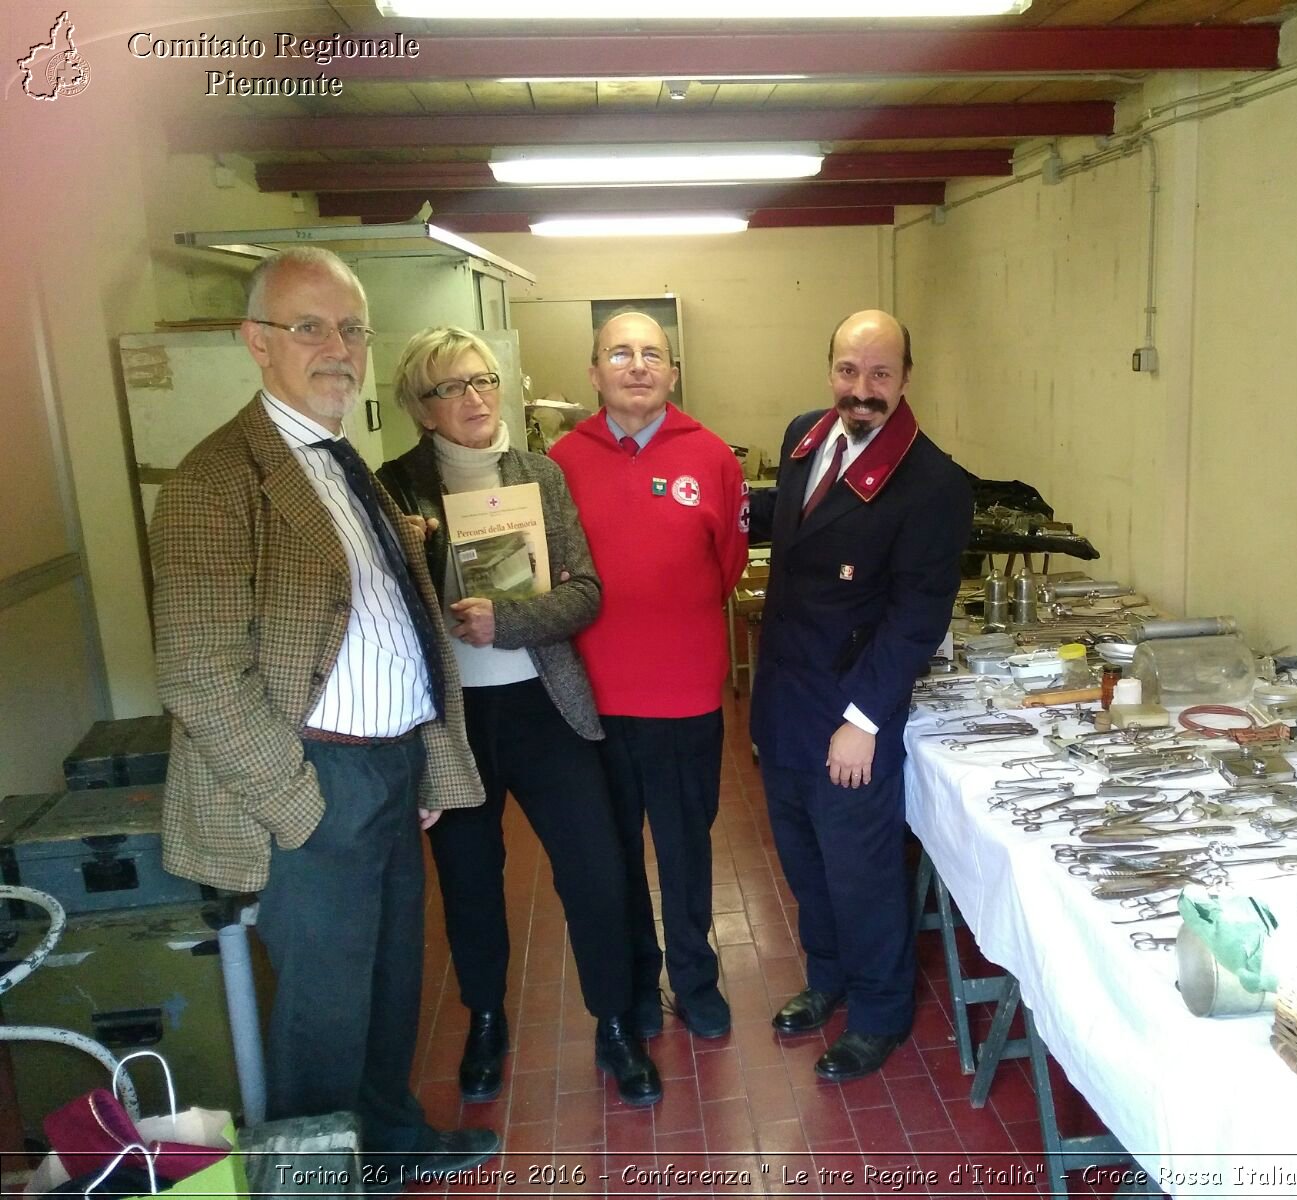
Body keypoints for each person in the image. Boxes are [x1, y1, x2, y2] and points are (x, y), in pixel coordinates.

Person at [149, 248, 500, 1184]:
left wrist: (423, 760)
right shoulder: (219, 481)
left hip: (385, 769)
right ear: (256, 342)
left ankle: (389, 1148)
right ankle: (314, 1179)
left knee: (390, 987)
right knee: (322, 1010)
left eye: (350, 328)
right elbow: (200, 672)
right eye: (310, 326)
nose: (336, 347)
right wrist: (300, 806)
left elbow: (400, 628)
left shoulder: (341, 463)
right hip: (313, 781)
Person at [377, 327, 662, 1108]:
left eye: (481, 380)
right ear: (420, 408)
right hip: (454, 720)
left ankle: (613, 1024)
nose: (472, 399)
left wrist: (507, 623)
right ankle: (486, 1019)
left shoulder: (541, 474)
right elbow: (383, 613)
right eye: (448, 388)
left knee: (595, 870)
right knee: (469, 882)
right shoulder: (392, 487)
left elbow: (584, 593)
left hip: (545, 706)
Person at [747, 309, 972, 1082]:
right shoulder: (805, 435)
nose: (862, 390)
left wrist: (865, 718)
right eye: (849, 370)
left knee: (861, 871)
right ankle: (827, 976)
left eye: (880, 374)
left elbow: (918, 617)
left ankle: (879, 1011)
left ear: (907, 377)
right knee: (806, 860)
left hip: (850, 712)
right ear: (830, 370)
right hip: (783, 697)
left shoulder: (935, 483)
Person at [549, 311, 748, 1040]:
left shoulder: (713, 458)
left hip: (686, 695)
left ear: (672, 372)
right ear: (594, 371)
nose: (637, 366)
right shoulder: (560, 460)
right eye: (619, 353)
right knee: (615, 855)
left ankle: (695, 979)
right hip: (592, 701)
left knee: (687, 850)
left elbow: (726, 564)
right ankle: (636, 982)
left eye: (652, 355)